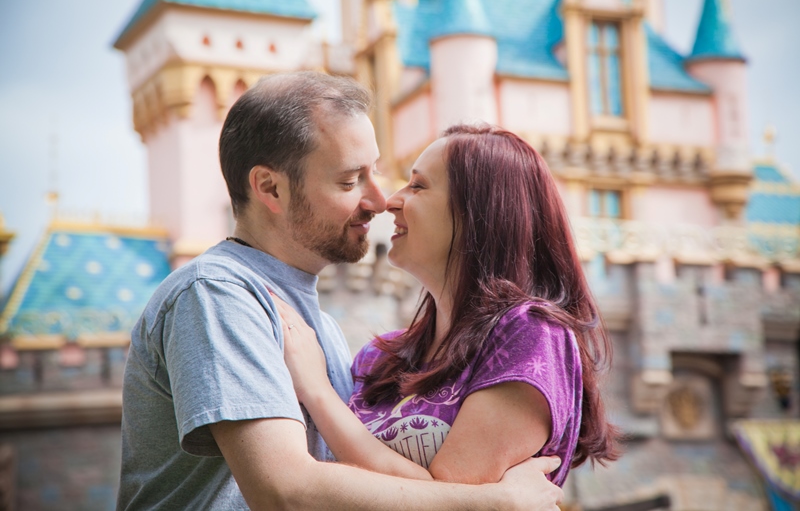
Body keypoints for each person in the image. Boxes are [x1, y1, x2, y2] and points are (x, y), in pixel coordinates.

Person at [116, 72, 564, 510]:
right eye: (350, 181)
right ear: (271, 188)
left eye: (375, 172)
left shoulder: (322, 330)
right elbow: (283, 493)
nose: (380, 199)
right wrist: (492, 503)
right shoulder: (217, 295)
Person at [274, 123, 621, 488]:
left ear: (478, 213)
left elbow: (449, 497)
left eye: (418, 186)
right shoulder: (378, 360)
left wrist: (316, 390)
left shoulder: (531, 335)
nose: (390, 201)